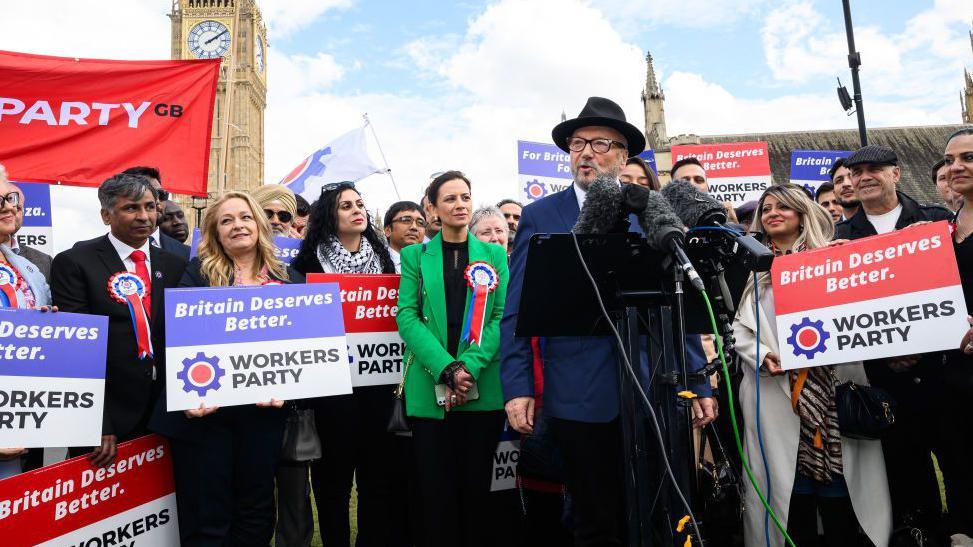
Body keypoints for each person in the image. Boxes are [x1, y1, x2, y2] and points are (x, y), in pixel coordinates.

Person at [501, 97, 717, 546]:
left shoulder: (651, 211)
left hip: (654, 388)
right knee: (594, 518)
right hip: (580, 394)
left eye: (600, 144)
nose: (585, 152)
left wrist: (699, 381)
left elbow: (679, 303)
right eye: (577, 143)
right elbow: (518, 310)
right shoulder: (541, 216)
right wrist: (518, 385)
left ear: (622, 156)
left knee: (660, 515)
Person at [733, 183, 891, 547]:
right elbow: (741, 328)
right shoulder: (755, 270)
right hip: (775, 396)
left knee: (839, 487)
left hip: (832, 394)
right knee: (789, 490)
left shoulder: (831, 263)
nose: (773, 213)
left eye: (783, 207)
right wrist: (761, 355)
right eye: (767, 208)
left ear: (802, 214)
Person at [149, 191, 293, 546]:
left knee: (256, 512)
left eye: (244, 217)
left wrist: (290, 391)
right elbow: (175, 337)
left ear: (258, 225)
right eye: (226, 220)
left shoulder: (291, 279)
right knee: (207, 515)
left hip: (262, 416)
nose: (237, 225)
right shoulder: (196, 275)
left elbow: (301, 353)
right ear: (214, 233)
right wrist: (190, 392)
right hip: (207, 418)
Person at [834, 144, 953, 537]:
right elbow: (844, 312)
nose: (863, 177)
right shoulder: (840, 238)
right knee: (904, 473)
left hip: (944, 373)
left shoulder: (936, 221)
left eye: (874, 169)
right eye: (856, 172)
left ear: (896, 174)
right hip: (885, 382)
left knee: (960, 467)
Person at [396, 171, 509, 547]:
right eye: (450, 199)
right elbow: (407, 315)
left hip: (483, 389)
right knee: (436, 494)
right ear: (432, 208)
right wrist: (445, 367)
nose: (460, 205)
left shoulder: (494, 254)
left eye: (465, 197)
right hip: (430, 390)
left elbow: (500, 316)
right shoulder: (415, 256)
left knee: (481, 493)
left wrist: (467, 369)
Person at [52, 173, 187, 466]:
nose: (144, 216)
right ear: (106, 214)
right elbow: (77, 351)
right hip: (110, 419)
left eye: (150, 207)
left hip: (169, 415)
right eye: (131, 208)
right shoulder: (75, 262)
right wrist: (97, 422)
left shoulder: (177, 264)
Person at [291, 182, 399, 547]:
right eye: (346, 206)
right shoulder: (307, 264)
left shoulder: (384, 260)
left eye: (360, 204)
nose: (357, 210)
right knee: (332, 483)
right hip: (331, 393)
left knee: (377, 480)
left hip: (378, 389)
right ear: (328, 216)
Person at [0, 171, 54, 480]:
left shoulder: (28, 267)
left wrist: (50, 323)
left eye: (11, 198)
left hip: (25, 410)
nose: (8, 207)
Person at [941, 128, 973, 546]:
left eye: (967, 157)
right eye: (950, 160)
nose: (956, 167)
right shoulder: (941, 228)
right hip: (953, 374)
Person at [121, 166, 190, 259]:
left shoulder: (187, 254)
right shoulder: (96, 255)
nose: (157, 203)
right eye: (146, 195)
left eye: (161, 195)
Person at [671, 156, 739, 223]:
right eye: (684, 180)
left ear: (707, 187)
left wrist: (732, 222)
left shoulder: (721, 217)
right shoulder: (663, 219)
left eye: (699, 180)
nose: (692, 184)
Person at [383, 200, 426, 272]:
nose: (414, 227)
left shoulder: (433, 264)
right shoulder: (373, 263)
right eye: (406, 220)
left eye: (420, 223)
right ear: (388, 230)